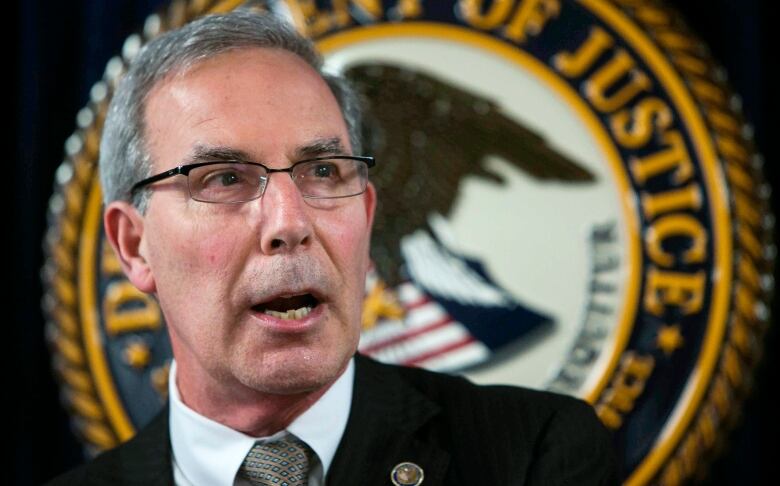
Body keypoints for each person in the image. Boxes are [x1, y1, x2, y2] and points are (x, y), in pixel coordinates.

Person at [46, 8, 618, 486]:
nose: (290, 222)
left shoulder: (535, 457)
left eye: (322, 171)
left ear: (366, 218)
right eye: (224, 178)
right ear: (134, 245)